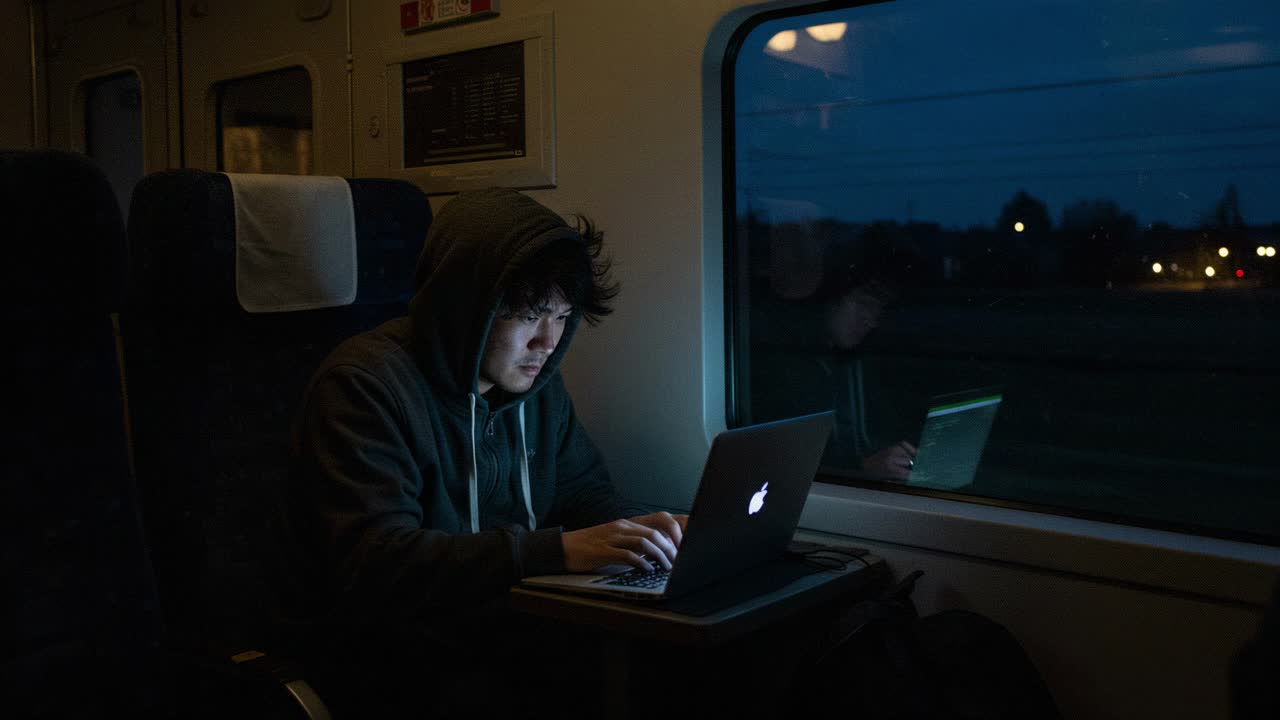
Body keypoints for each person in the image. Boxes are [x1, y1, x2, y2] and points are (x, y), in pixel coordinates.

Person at [278, 187, 686, 716]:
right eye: (530, 315)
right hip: (392, 658)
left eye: (562, 317)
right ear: (465, 306)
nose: (548, 341)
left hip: (497, 633)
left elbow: (584, 491)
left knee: (682, 667)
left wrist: (646, 541)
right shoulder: (364, 389)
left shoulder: (536, 390)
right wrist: (555, 552)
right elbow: (376, 563)